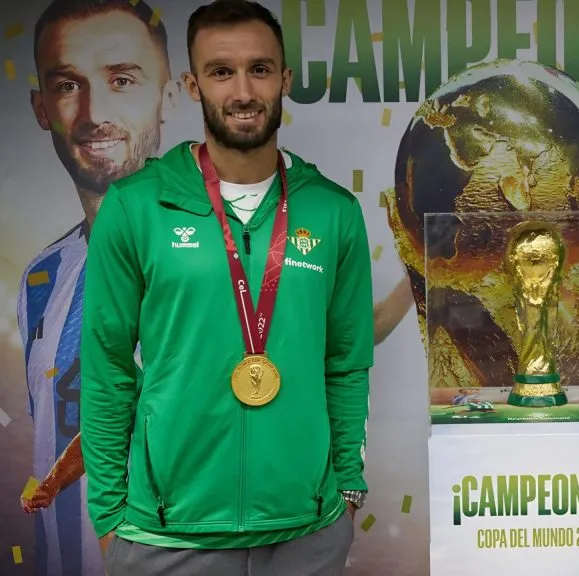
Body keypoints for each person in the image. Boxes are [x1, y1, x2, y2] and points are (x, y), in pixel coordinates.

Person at [78, 0, 372, 573]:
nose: (243, 91)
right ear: (193, 86)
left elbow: (346, 362)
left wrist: (347, 489)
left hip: (306, 534)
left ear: (285, 79)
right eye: (221, 72)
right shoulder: (136, 207)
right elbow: (107, 368)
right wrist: (110, 517)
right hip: (166, 537)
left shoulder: (333, 211)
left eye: (259, 69)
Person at [15, 0, 178, 573]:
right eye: (67, 85)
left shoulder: (223, 259)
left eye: (122, 80)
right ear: (41, 107)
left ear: (169, 96)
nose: (93, 112)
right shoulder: (41, 278)